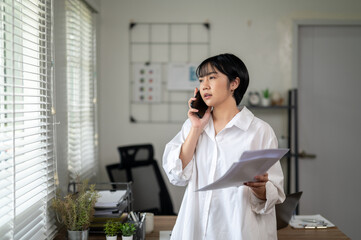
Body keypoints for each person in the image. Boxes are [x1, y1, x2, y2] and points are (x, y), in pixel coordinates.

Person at [162, 53, 285, 240]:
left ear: (234, 83)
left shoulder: (259, 131)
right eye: (201, 79)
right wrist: (196, 128)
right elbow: (176, 175)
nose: (204, 85)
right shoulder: (193, 125)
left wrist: (260, 188)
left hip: (239, 231)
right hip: (195, 230)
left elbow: (274, 194)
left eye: (212, 77)